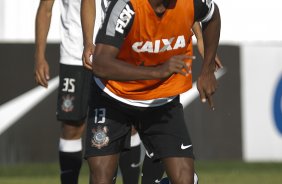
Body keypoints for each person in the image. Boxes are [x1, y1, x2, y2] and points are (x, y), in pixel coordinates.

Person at [83, 0, 221, 183]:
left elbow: (212, 16)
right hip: (113, 96)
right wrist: (157, 71)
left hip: (162, 99)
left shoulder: (191, 2)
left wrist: (207, 69)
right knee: (101, 178)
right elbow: (100, 64)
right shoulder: (125, 6)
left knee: (185, 180)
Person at [34, 0, 142, 183]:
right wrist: (39, 56)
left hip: (115, 53)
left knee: (128, 126)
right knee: (72, 127)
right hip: (74, 55)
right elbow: (46, 8)